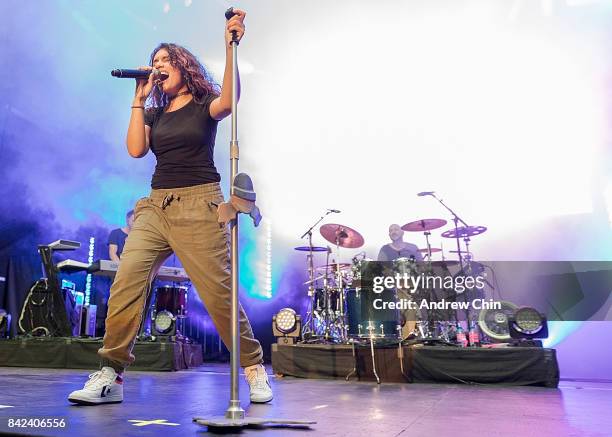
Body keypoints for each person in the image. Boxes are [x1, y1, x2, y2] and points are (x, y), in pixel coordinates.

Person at [68, 9, 273, 405]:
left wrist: (231, 47)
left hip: (201, 204)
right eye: (155, 61)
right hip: (156, 207)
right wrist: (138, 99)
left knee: (218, 293)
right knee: (127, 281)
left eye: (166, 61)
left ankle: (253, 367)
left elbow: (229, 101)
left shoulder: (203, 104)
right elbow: (135, 150)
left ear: (184, 66)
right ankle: (111, 373)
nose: (158, 66)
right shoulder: (156, 111)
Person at [377, 224, 423, 339]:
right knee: (408, 305)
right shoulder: (385, 249)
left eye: (396, 229)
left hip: (413, 285)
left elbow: (421, 267)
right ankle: (407, 335)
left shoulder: (413, 248)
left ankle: (412, 333)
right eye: (390, 230)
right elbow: (380, 269)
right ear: (389, 234)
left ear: (403, 232)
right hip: (393, 287)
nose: (393, 232)